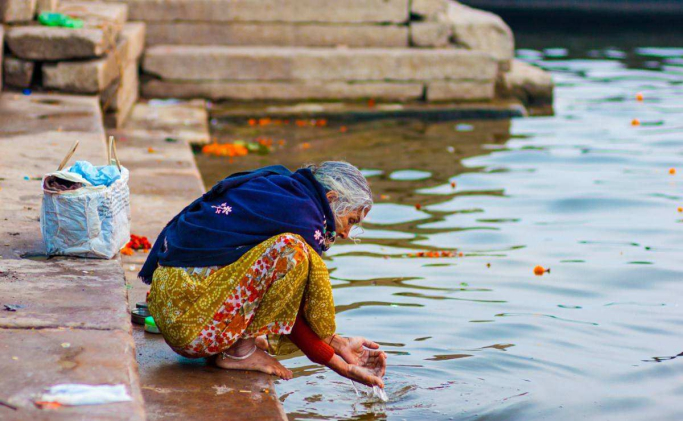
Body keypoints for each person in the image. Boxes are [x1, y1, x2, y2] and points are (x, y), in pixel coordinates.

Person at [139, 161, 386, 388]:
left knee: (280, 256)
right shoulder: (301, 216)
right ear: (331, 198)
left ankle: (237, 341)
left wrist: (338, 344)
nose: (346, 233)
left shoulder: (285, 188)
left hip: (173, 306)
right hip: (188, 325)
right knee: (293, 250)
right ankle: (239, 352)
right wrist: (338, 363)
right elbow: (298, 310)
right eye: (351, 220)